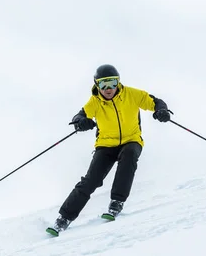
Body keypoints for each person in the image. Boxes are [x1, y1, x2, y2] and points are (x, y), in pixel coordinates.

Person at [47, 64, 171, 235]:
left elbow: (155, 102)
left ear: (118, 82)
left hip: (131, 140)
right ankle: (64, 218)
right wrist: (81, 123)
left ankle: (117, 202)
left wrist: (161, 111)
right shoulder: (95, 102)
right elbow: (79, 116)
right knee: (91, 180)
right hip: (105, 145)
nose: (108, 89)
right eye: (103, 84)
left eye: (112, 83)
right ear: (97, 85)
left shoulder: (132, 94)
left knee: (129, 156)